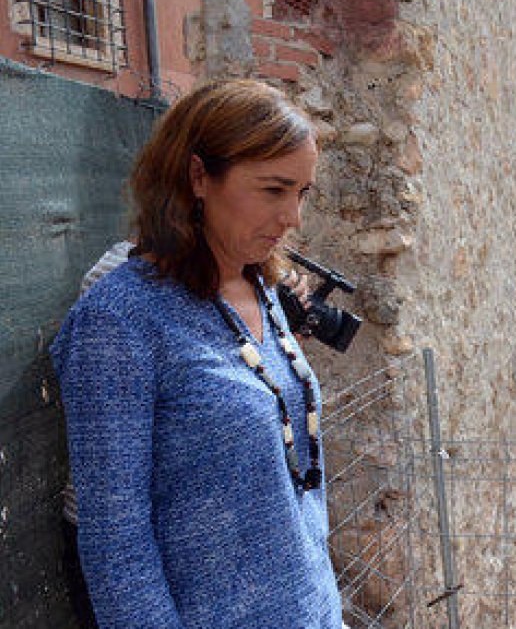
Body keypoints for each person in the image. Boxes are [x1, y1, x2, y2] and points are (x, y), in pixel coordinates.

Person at [50, 79, 342, 628]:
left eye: (302, 193)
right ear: (198, 177)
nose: (294, 218)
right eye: (274, 190)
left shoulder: (257, 286)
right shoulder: (120, 320)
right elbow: (116, 543)